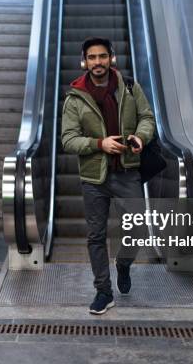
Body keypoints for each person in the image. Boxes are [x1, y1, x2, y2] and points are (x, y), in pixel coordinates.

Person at [61, 37, 156, 314]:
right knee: (96, 236)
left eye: (103, 56)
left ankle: (124, 264)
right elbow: (68, 139)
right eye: (92, 57)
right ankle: (103, 291)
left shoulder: (128, 86)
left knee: (138, 228)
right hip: (94, 177)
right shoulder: (75, 97)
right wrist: (98, 144)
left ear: (111, 58)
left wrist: (141, 136)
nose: (98, 62)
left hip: (128, 171)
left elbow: (147, 117)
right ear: (84, 61)